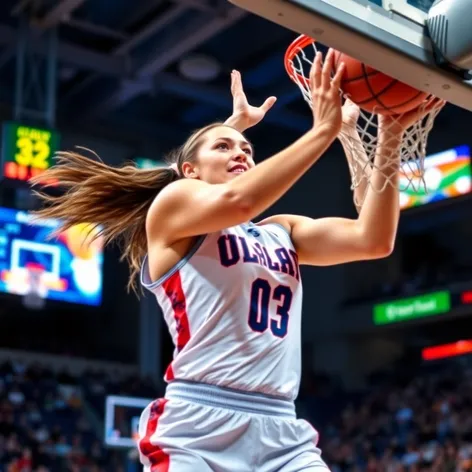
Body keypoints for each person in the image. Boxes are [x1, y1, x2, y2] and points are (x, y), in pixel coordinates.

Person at [31, 50, 442, 471]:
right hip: (198, 424)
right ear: (188, 170)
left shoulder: (282, 230)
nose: (242, 153)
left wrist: (391, 132)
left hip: (282, 429)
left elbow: (373, 240)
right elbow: (240, 201)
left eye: (247, 148)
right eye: (225, 146)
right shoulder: (172, 206)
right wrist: (323, 130)